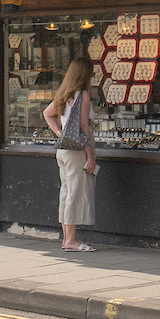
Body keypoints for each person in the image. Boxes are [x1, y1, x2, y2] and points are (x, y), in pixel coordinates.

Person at [43, 57, 99, 252]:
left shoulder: (65, 94)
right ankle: (72, 240)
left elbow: (47, 113)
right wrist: (90, 154)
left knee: (66, 193)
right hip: (76, 151)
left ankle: (67, 239)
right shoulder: (82, 95)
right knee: (75, 193)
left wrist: (60, 133)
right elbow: (84, 126)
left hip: (63, 150)